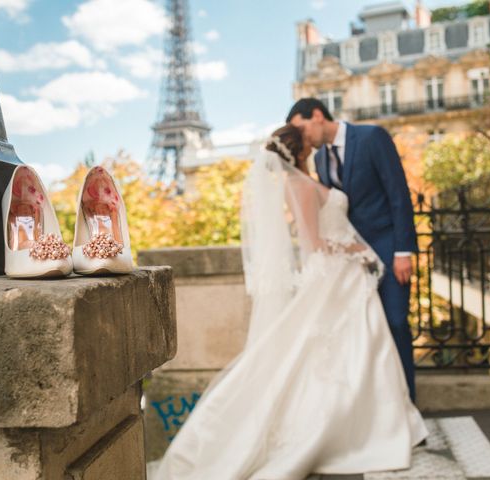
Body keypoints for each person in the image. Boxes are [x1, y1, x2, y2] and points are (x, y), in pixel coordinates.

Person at [150, 125, 427, 480]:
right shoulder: (298, 185)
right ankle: (359, 429)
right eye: (308, 144)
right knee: (348, 353)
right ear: (298, 151)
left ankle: (374, 423)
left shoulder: (306, 179)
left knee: (362, 352)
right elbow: (315, 245)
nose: (314, 146)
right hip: (339, 276)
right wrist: (360, 251)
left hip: (346, 279)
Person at [288, 98, 419, 401]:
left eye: (302, 127)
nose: (302, 137)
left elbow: (398, 194)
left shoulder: (372, 137)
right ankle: (381, 407)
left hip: (388, 247)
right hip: (348, 260)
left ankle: (408, 402)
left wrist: (403, 251)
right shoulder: (319, 161)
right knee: (365, 334)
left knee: (396, 322)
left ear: (318, 115)